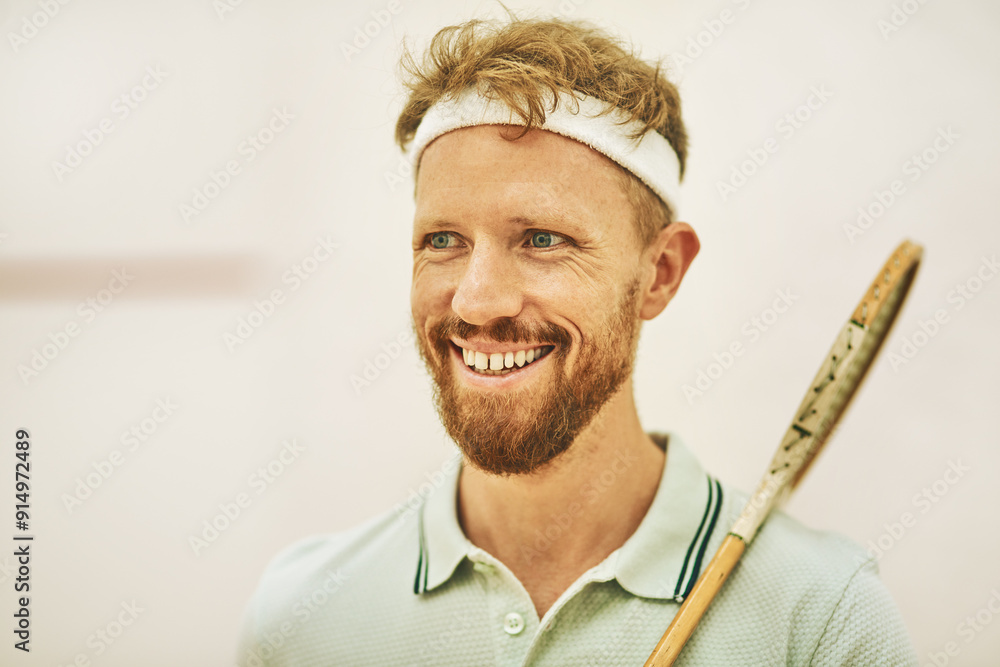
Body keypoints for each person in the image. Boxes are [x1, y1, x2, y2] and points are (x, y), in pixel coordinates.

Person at [236, 13, 918, 666]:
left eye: (542, 239)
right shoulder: (302, 619)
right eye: (443, 240)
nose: (477, 301)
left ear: (660, 272)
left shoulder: (824, 619)